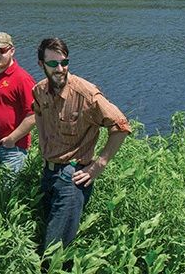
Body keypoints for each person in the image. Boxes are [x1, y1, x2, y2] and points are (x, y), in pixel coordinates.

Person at [32, 37, 131, 252]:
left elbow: (121, 126)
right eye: (53, 64)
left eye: (64, 62)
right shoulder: (39, 91)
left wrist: (98, 166)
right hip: (48, 173)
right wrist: (43, 142)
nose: (60, 69)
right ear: (41, 65)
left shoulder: (85, 93)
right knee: (47, 235)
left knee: (53, 249)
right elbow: (38, 112)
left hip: (72, 177)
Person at [0, 32, 36, 184]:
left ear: (12, 51)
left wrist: (12, 139)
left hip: (13, 149)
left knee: (8, 194)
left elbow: (34, 115)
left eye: (2, 51)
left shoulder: (22, 78)